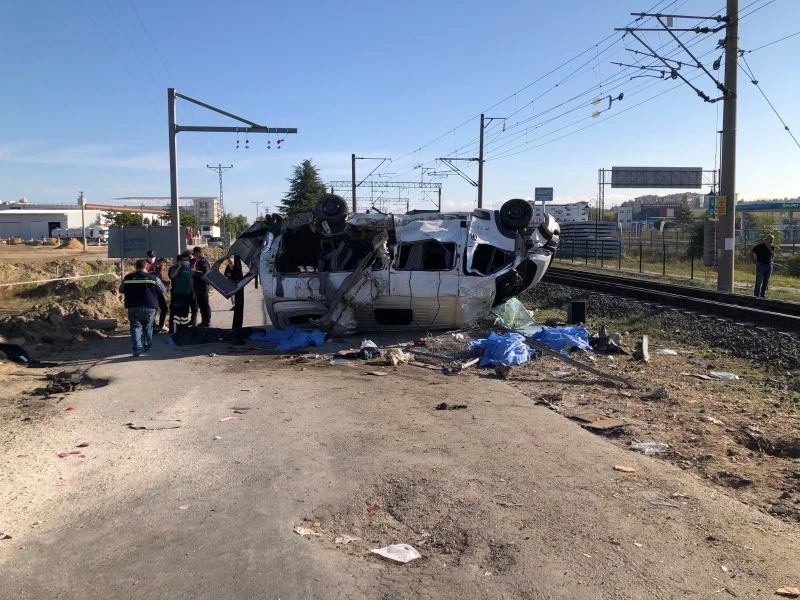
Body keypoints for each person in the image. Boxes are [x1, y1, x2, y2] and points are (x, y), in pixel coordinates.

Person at [119, 258, 166, 357]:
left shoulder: (127, 278)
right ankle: (147, 346)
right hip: (149, 306)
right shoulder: (153, 278)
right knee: (148, 327)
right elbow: (162, 289)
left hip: (133, 306)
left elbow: (121, 289)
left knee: (135, 327)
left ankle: (137, 348)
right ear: (146, 267)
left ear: (136, 266)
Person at [168, 252, 194, 334]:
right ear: (179, 260)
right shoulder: (174, 268)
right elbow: (172, 276)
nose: (186, 261)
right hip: (177, 294)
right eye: (184, 260)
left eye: (187, 260)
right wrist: (179, 266)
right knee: (176, 312)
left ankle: (183, 329)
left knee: (185, 312)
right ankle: (174, 330)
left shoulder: (189, 269)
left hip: (187, 294)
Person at [191, 246, 211, 327]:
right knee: (200, 303)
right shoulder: (198, 261)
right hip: (198, 284)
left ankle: (207, 321)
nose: (194, 256)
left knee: (204, 303)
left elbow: (205, 273)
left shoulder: (203, 261)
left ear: (198, 253)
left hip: (202, 285)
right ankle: (204, 320)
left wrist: (195, 272)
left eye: (195, 254)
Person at [153, 257, 170, 332]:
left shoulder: (157, 270)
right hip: (155, 292)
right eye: (163, 263)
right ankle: (160, 325)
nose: (164, 265)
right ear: (160, 262)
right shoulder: (156, 269)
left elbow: (159, 280)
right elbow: (156, 280)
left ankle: (157, 325)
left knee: (158, 308)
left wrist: (166, 282)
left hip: (156, 291)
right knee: (163, 308)